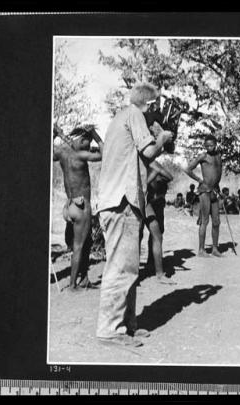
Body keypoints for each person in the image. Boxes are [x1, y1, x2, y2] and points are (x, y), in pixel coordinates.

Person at [96, 82, 174, 348]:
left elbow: (144, 157)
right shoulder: (135, 115)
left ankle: (128, 325)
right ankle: (110, 330)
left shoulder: (120, 118)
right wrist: (163, 137)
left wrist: (159, 139)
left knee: (127, 267)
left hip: (118, 201)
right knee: (120, 268)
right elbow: (150, 151)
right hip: (121, 202)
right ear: (150, 105)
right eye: (156, 107)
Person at [53, 123, 104, 291]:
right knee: (79, 246)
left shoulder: (61, 152)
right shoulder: (82, 155)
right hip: (82, 206)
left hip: (69, 206)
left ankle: (84, 279)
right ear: (82, 140)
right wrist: (95, 135)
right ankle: (73, 285)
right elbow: (105, 154)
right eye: (88, 141)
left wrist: (56, 134)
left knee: (86, 242)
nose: (90, 145)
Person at [184, 134, 223, 258]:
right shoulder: (203, 156)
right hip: (204, 191)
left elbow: (218, 173)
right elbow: (188, 169)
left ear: (216, 144)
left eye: (212, 145)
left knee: (216, 221)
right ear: (204, 146)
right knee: (204, 221)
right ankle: (201, 250)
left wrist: (218, 187)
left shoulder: (218, 157)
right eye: (207, 146)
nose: (210, 147)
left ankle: (215, 249)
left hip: (215, 191)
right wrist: (199, 180)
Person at [145, 161, 175, 284]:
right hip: (146, 203)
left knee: (157, 234)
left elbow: (169, 177)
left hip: (157, 203)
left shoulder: (153, 163)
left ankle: (152, 264)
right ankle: (158, 273)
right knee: (154, 235)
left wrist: (157, 169)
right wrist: (156, 172)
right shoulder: (139, 164)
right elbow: (142, 184)